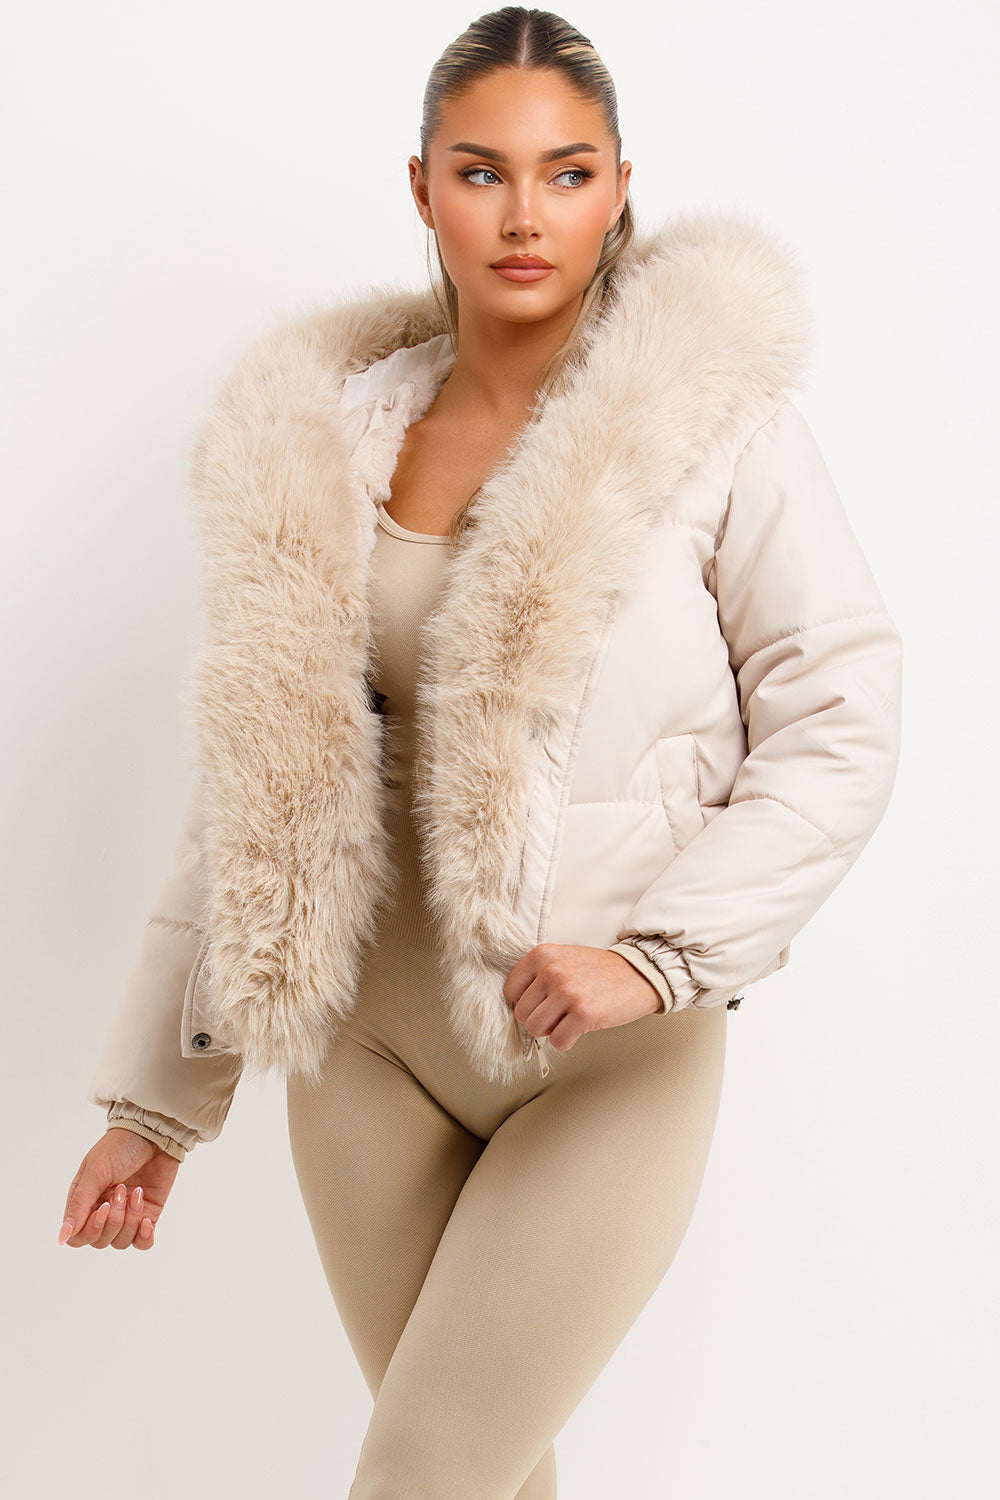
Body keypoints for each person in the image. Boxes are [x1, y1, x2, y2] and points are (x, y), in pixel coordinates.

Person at [59, 7, 903, 1496]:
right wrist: (158, 1102)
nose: (525, 215)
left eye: (566, 173)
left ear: (620, 188)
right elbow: (255, 783)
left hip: (604, 1054)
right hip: (365, 1052)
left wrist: (661, 958)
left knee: (422, 1476)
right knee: (484, 1481)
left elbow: (841, 713)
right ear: (422, 188)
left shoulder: (717, 432)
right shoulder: (332, 436)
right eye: (482, 171)